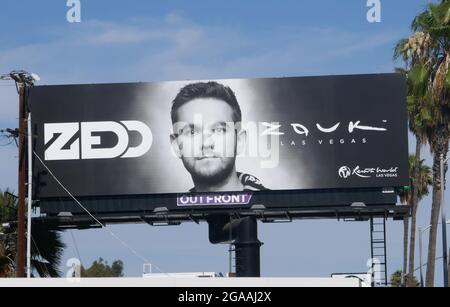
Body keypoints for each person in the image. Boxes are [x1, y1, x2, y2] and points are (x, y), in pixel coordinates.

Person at [170, 81, 266, 192]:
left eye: (219, 130)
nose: (206, 143)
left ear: (239, 141)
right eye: (192, 132)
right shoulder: (167, 208)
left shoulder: (274, 206)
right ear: (176, 146)